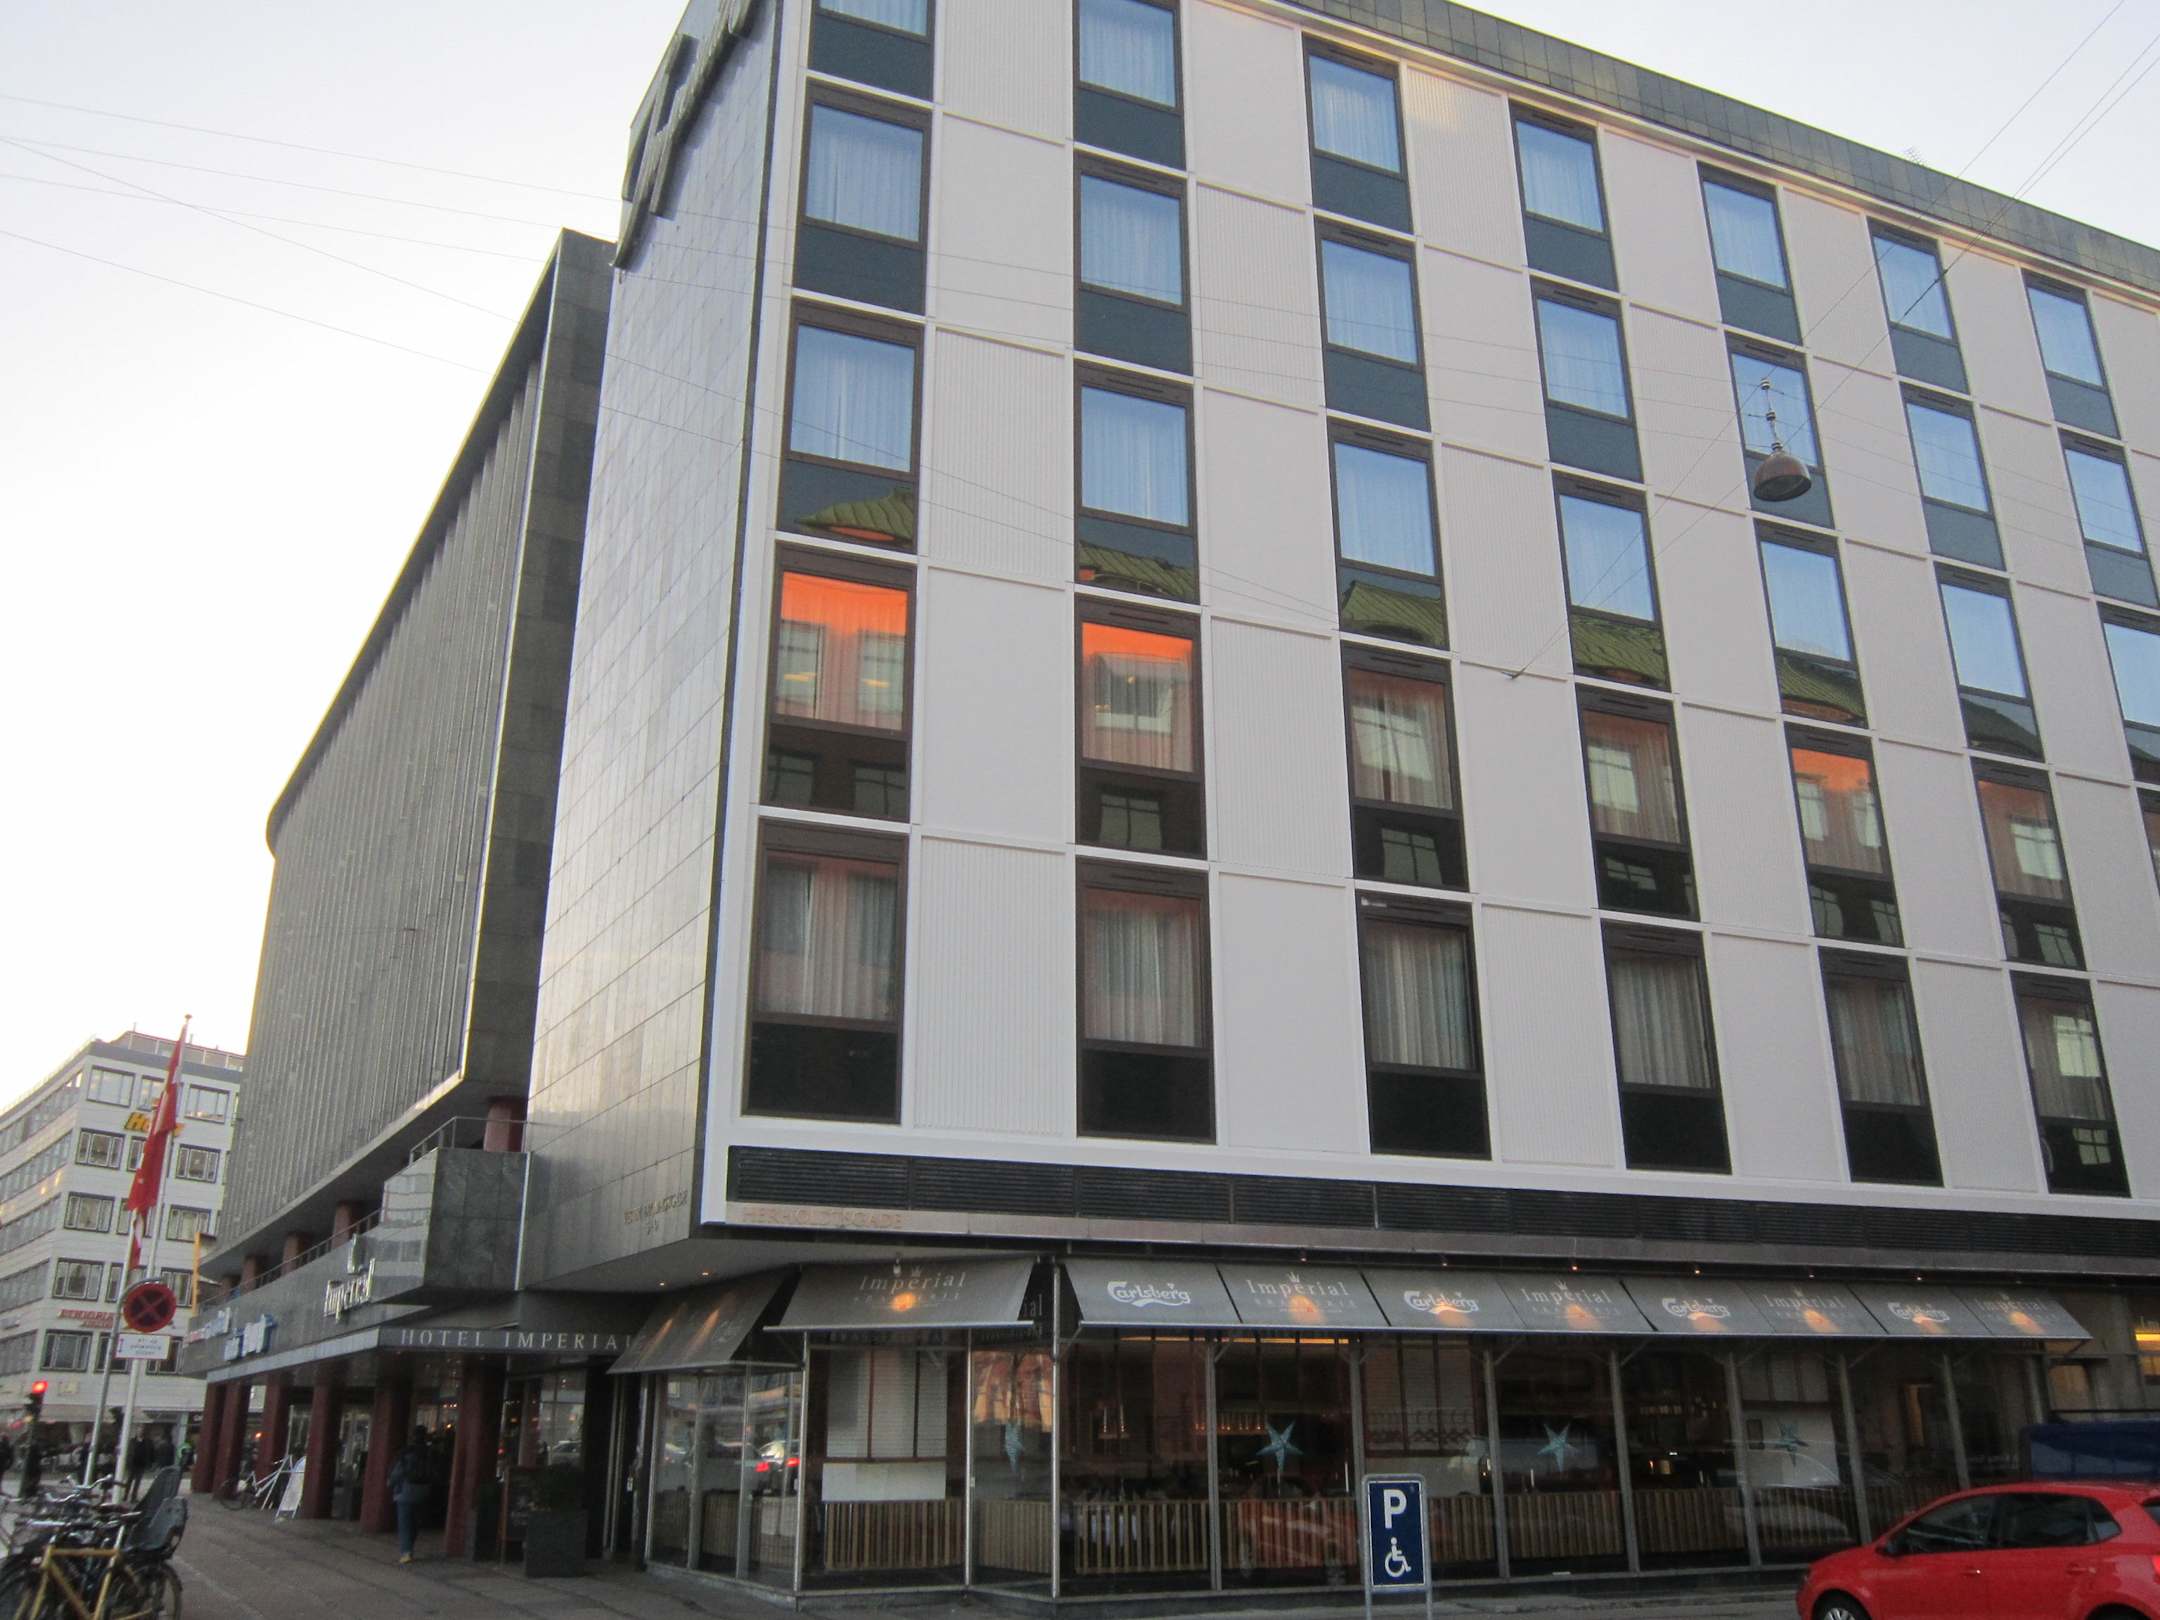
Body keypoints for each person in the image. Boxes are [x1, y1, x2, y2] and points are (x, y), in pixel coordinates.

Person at [388, 1425, 434, 1564]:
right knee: (415, 1522)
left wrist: (390, 1482)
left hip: (406, 1491)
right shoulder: (429, 1452)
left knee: (404, 1522)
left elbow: (398, 1472)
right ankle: (410, 1546)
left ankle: (406, 1551)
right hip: (423, 1490)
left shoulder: (406, 1452)